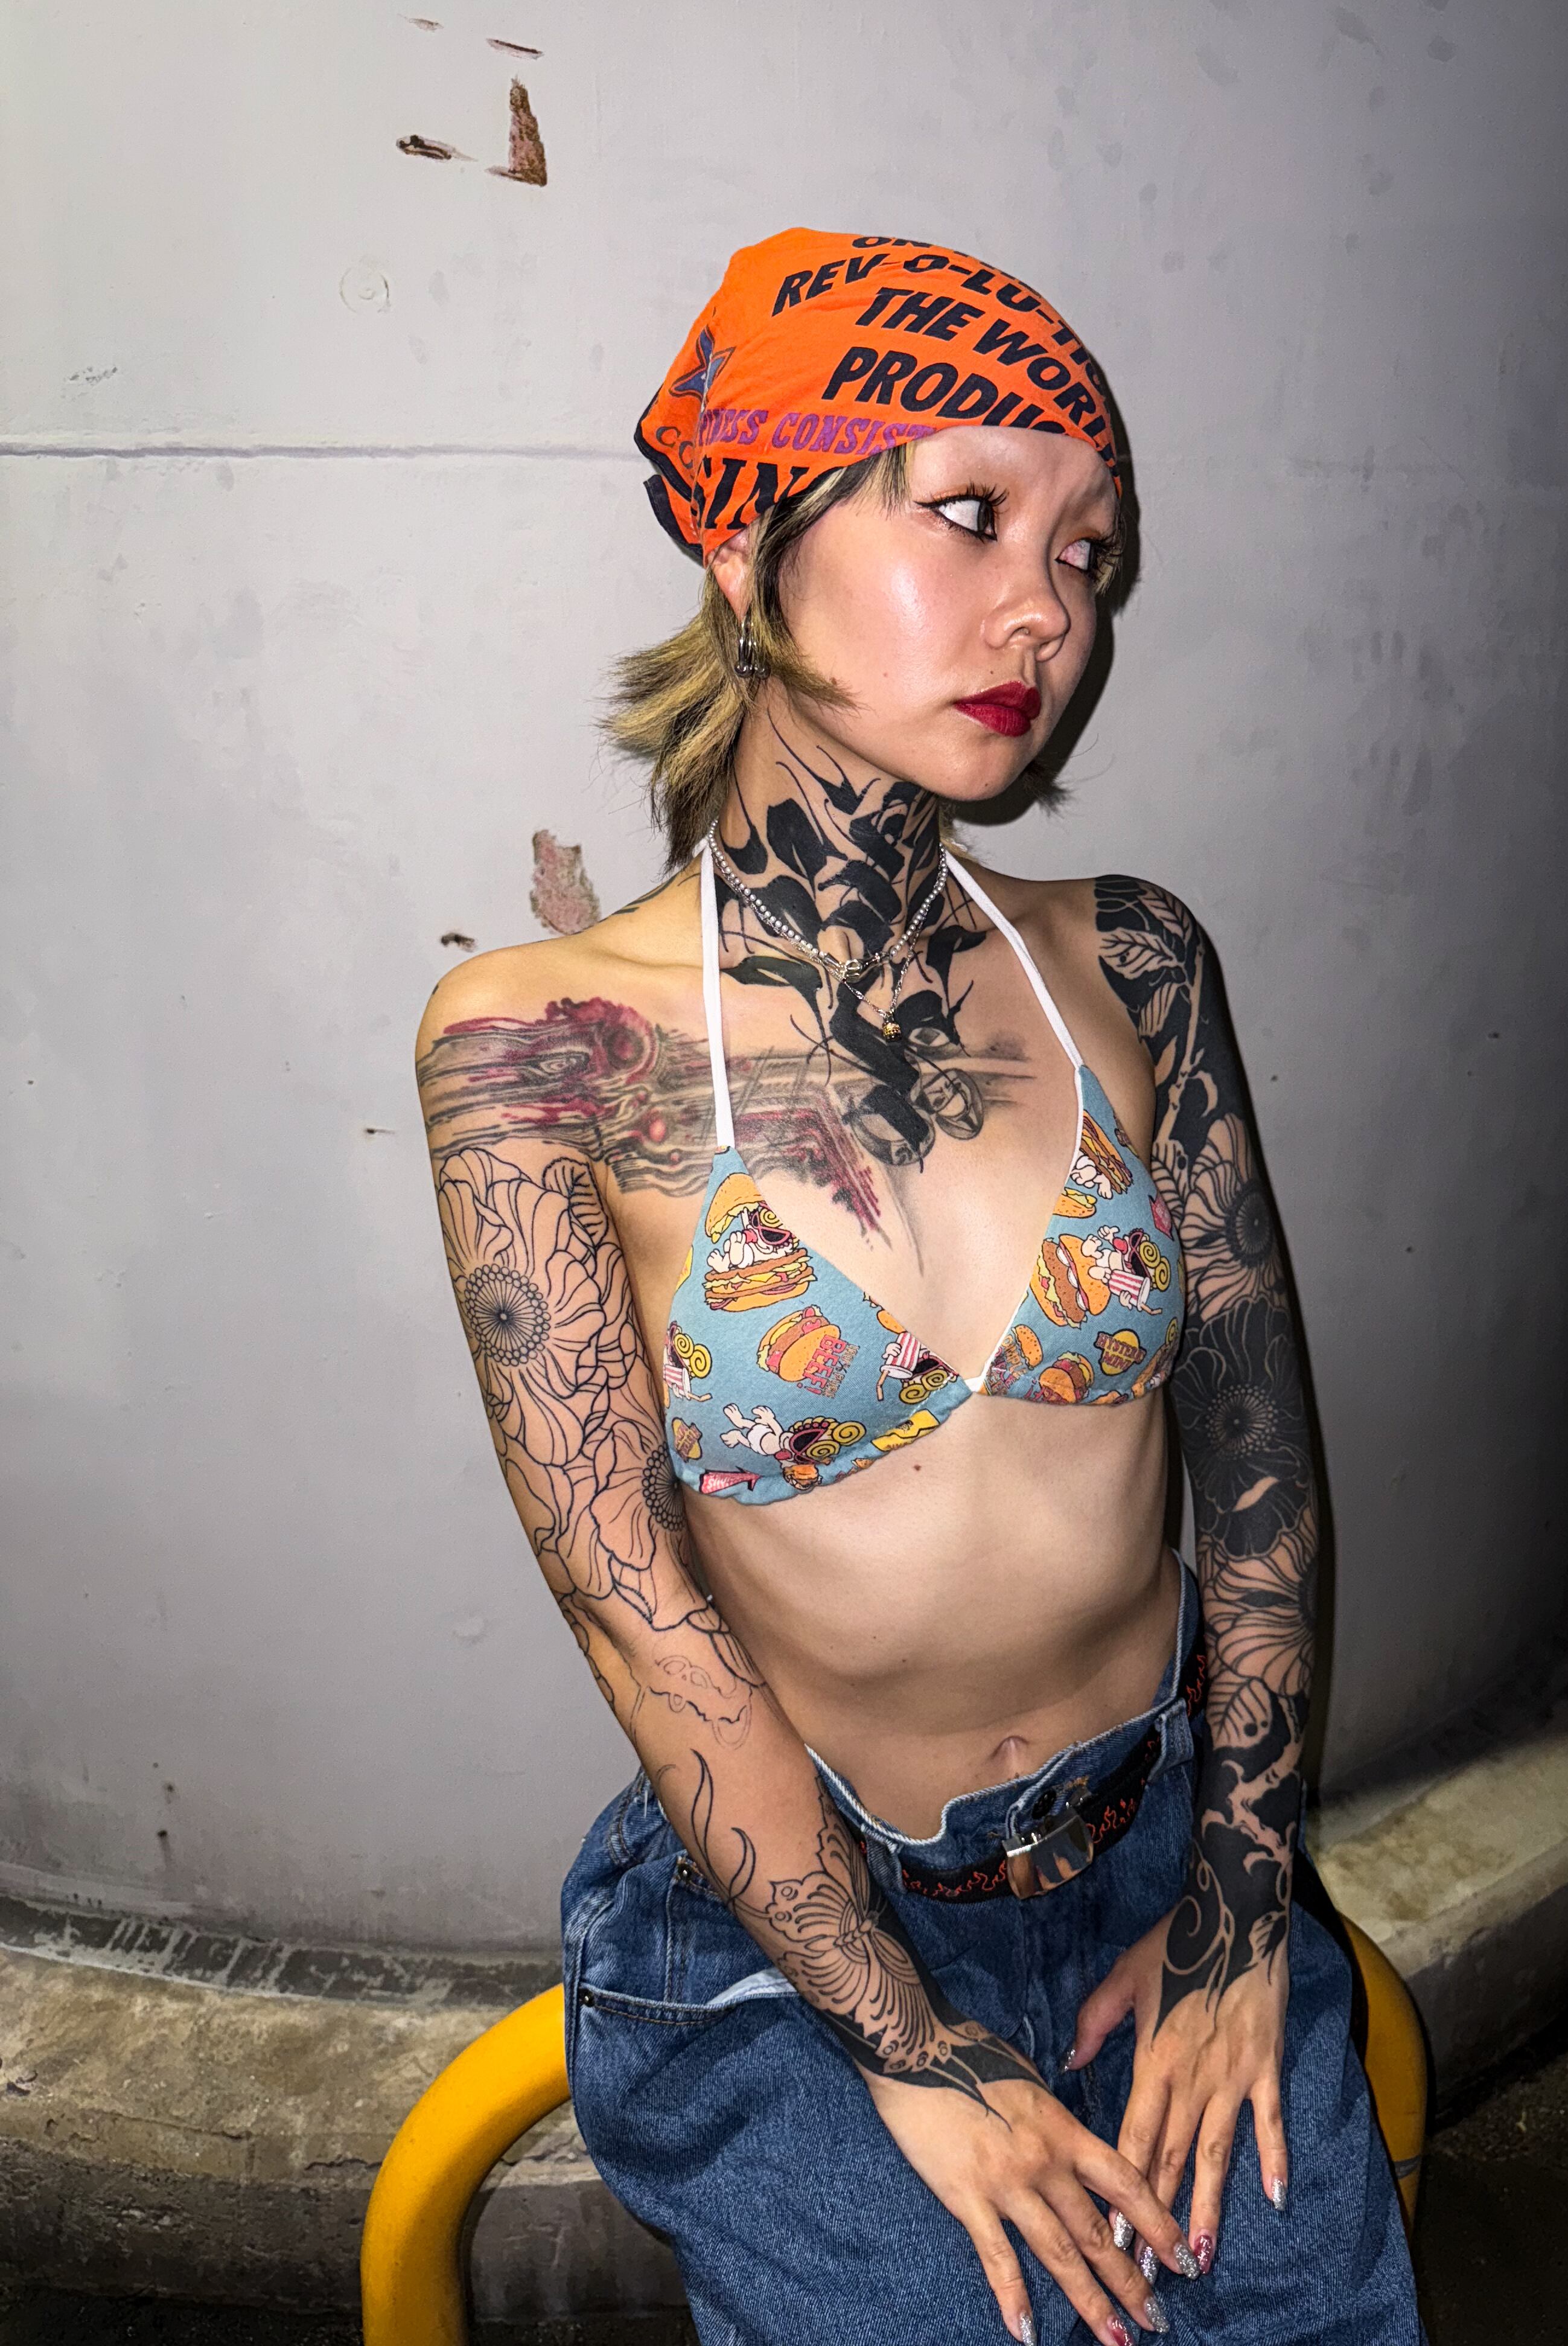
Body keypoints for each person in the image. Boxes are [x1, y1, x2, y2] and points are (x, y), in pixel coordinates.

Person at [415, 229, 1423, 2346]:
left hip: (1169, 1857)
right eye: (969, 512)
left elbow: (1257, 1469)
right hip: (792, 1932)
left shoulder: (1131, 961)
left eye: (1088, 552)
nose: (1049, 607)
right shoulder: (543, 1047)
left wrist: (1243, 1909)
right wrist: (913, 2045)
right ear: (743, 546)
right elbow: (635, 1604)